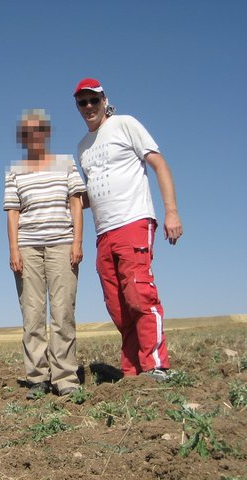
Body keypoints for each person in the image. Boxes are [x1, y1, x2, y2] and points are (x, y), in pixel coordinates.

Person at [73, 78, 183, 381]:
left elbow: (159, 164)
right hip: (103, 233)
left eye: (94, 100)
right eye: (82, 102)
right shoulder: (83, 147)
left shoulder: (126, 124)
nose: (89, 107)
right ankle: (133, 372)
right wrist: (61, 197)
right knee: (118, 305)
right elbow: (92, 192)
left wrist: (171, 212)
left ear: (104, 100)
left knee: (139, 295)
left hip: (133, 221)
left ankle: (157, 366)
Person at [4, 109, 86, 398]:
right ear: (22, 137)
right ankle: (37, 377)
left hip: (62, 243)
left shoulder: (65, 164)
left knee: (63, 311)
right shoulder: (14, 170)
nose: (34, 136)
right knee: (32, 314)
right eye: (27, 132)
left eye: (39, 130)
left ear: (46, 133)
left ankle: (65, 377)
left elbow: (76, 203)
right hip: (28, 247)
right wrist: (14, 249)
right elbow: (13, 213)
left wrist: (77, 241)